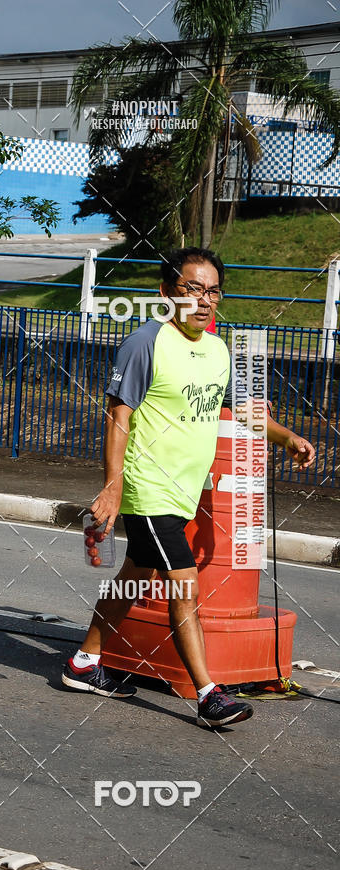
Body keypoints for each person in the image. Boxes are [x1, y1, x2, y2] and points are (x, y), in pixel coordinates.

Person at [62, 247, 315, 727]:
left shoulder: (217, 350)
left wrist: (287, 438)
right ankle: (207, 695)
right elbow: (119, 419)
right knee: (184, 584)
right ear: (165, 293)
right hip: (146, 489)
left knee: (135, 577)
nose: (204, 300)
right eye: (192, 289)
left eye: (213, 291)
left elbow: (241, 411)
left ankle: (83, 663)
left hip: (181, 494)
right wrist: (113, 488)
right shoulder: (145, 342)